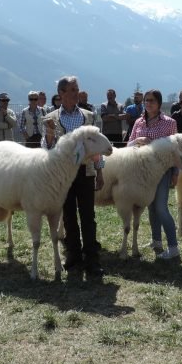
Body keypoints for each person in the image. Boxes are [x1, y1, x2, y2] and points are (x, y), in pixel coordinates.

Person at [43, 75, 105, 277]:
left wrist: (100, 170)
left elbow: (96, 147)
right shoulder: (50, 117)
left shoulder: (89, 116)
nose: (75, 93)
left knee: (88, 215)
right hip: (63, 175)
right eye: (71, 90)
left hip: (85, 171)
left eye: (77, 89)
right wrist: (50, 133)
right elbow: (48, 148)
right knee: (69, 215)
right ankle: (73, 255)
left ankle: (92, 259)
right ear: (61, 94)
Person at [127, 89, 181, 259]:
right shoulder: (138, 122)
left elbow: (175, 151)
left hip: (162, 172)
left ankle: (173, 247)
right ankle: (156, 241)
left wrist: (175, 172)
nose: (148, 103)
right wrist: (137, 141)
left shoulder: (169, 123)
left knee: (161, 207)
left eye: (151, 100)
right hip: (142, 173)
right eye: (146, 100)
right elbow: (128, 145)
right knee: (151, 207)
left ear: (159, 103)